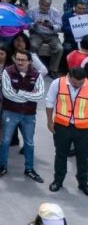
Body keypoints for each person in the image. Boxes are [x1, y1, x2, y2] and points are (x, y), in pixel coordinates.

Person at [0, 48, 45, 182]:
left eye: (23, 60)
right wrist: (29, 95)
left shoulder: (37, 75)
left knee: (29, 142)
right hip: (10, 112)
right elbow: (7, 94)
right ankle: (2, 166)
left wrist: (20, 93)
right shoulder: (8, 72)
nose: (20, 62)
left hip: (29, 115)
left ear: (30, 61)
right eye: (18, 59)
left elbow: (40, 95)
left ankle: (29, 169)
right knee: (5, 141)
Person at [45, 66, 88, 195]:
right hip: (62, 125)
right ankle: (58, 180)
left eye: (80, 83)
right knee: (61, 154)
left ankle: (83, 183)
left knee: (83, 157)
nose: (77, 86)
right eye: (75, 83)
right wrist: (49, 121)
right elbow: (49, 102)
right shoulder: (57, 83)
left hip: (84, 128)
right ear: (69, 76)